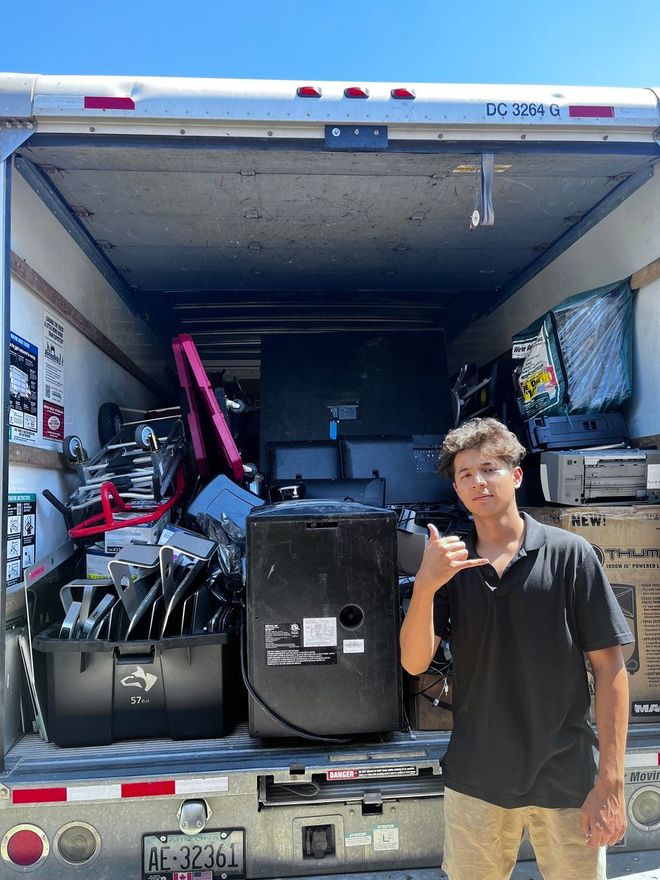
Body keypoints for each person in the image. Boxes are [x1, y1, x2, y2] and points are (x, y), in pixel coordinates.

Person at [399, 417, 633, 880]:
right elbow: (414, 662)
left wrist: (610, 779)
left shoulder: (571, 555)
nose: (477, 482)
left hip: (567, 777)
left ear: (517, 475)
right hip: (476, 779)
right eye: (464, 474)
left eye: (489, 469)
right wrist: (425, 584)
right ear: (456, 488)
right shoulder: (451, 564)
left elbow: (611, 670)